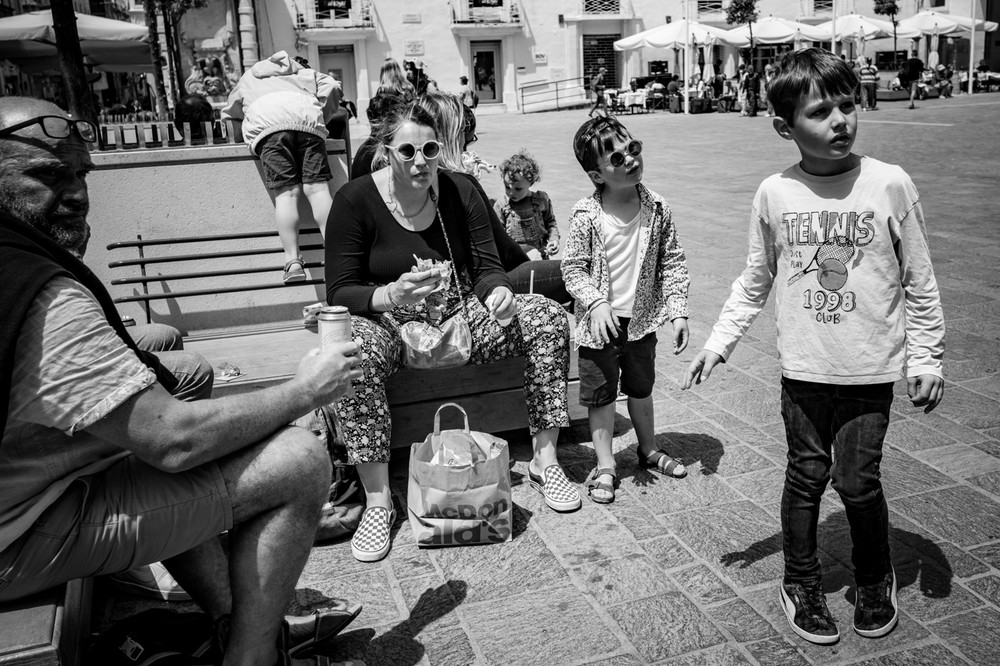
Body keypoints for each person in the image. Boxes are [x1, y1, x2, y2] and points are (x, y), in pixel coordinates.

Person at [0, 97, 366, 666]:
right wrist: (305, 392)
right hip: (17, 539)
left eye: (80, 173)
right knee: (299, 460)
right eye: (48, 174)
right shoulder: (44, 293)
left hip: (21, 498)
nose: (75, 192)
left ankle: (233, 620)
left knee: (179, 378)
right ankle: (254, 656)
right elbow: (174, 442)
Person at [682, 48, 945, 646]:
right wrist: (720, 341)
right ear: (785, 127)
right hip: (803, 369)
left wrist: (926, 356)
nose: (841, 121)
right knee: (806, 475)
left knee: (857, 481)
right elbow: (755, 278)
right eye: (821, 111)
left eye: (848, 105)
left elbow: (919, 279)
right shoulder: (775, 193)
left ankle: (875, 577)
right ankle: (800, 579)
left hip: (870, 368)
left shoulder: (889, 184)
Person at [325, 102, 579, 562]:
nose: (420, 161)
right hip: (389, 323)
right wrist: (391, 295)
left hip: (461, 315)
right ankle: (379, 502)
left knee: (544, 315)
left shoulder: (461, 189)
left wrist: (499, 291)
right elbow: (341, 289)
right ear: (386, 150)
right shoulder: (354, 200)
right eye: (407, 150)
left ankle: (546, 461)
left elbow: (486, 265)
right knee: (352, 352)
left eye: (429, 148)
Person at [562, 116, 691, 504]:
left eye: (633, 148)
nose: (630, 160)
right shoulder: (586, 214)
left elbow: (673, 261)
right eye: (617, 158)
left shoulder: (657, 207)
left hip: (640, 322)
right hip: (598, 326)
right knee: (600, 396)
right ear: (597, 174)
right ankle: (605, 465)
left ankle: (648, 450)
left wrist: (678, 310)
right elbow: (572, 268)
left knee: (641, 388)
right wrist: (595, 301)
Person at [414, 91, 571, 305]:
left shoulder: (406, 177)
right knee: (574, 274)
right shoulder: (459, 182)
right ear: (451, 135)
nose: (465, 145)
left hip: (440, 282)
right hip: (470, 284)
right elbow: (503, 251)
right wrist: (530, 259)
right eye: (464, 136)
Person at [222, 51, 342, 283]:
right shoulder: (305, 72)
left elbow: (231, 111)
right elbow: (333, 86)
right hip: (307, 123)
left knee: (286, 194)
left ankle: (293, 261)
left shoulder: (249, 77)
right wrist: (320, 115)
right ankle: (336, 253)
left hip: (270, 128)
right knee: (318, 190)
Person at [494, 151, 560, 260]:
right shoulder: (502, 205)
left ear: (531, 182)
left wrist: (554, 240)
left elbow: (550, 222)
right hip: (515, 258)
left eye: (518, 189)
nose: (511, 193)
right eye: (507, 187)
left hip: (540, 256)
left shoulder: (541, 200)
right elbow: (498, 234)